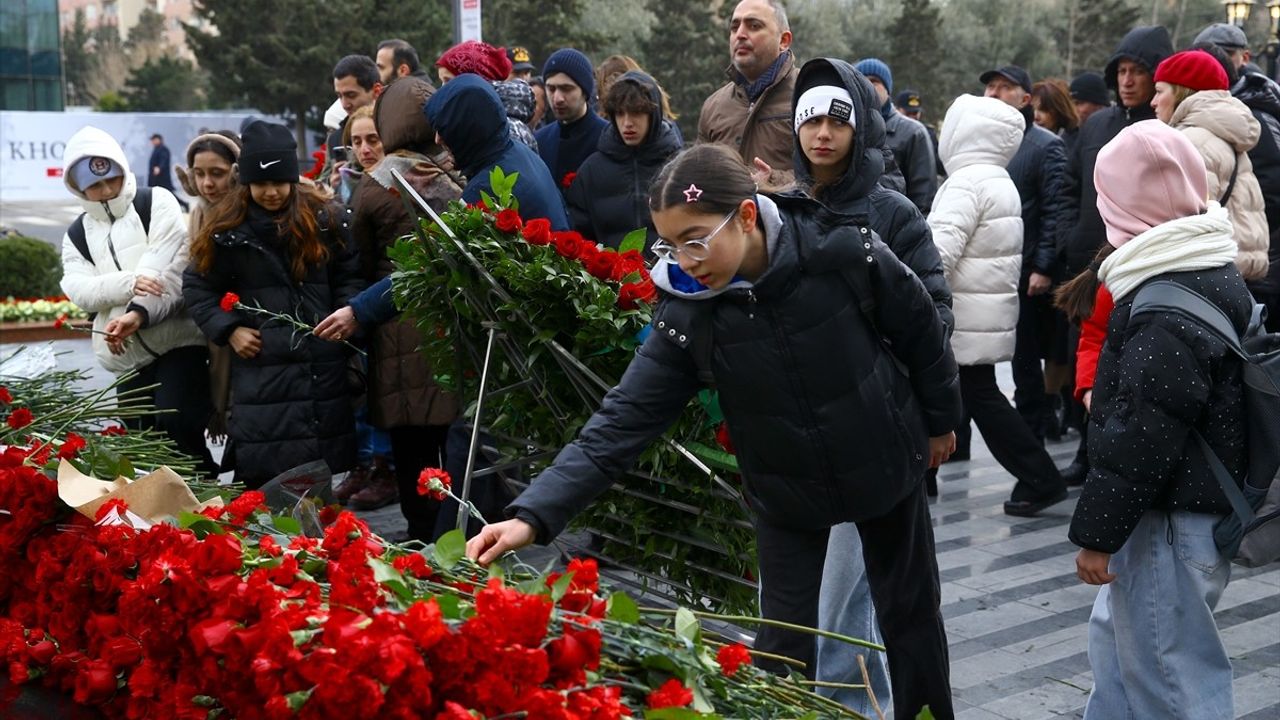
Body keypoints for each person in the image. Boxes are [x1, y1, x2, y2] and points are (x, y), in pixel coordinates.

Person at [466, 142, 963, 720]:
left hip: (882, 453)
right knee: (781, 652)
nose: (686, 259)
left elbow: (922, 327)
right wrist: (532, 514)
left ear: (747, 216)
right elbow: (621, 420)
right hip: (784, 488)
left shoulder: (843, 249)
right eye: (670, 244)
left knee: (911, 623)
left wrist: (939, 420)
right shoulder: (687, 310)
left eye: (696, 238)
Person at [780, 57, 954, 715]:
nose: (821, 133)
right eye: (810, 120)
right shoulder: (784, 211)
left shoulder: (894, 213)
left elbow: (934, 317)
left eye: (835, 119)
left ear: (859, 125)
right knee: (835, 598)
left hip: (881, 433)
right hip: (806, 440)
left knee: (868, 597)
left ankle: (857, 706)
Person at [1068, 119, 1249, 720]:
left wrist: (1097, 535)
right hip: (1176, 512)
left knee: (1169, 677)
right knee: (1122, 651)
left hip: (1169, 519)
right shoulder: (1204, 262)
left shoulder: (1165, 298)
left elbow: (1143, 435)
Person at [319, 77, 464, 538]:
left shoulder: (375, 186)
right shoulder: (452, 174)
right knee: (452, 436)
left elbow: (356, 253)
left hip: (392, 321)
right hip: (447, 322)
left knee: (410, 441)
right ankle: (457, 527)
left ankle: (422, 530)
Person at [183, 120, 363, 488]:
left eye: (279, 182)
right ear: (246, 181)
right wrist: (229, 329)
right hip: (262, 372)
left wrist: (346, 316)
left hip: (320, 367)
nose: (271, 192)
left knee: (318, 480)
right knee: (267, 480)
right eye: (261, 184)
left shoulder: (325, 219)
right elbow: (197, 287)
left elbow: (351, 275)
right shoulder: (227, 229)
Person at [930, 94, 1068, 517]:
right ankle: (927, 478)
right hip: (982, 315)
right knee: (974, 396)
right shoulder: (997, 178)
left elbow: (936, 253)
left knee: (975, 398)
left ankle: (1041, 478)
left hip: (962, 317)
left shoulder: (967, 183)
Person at [59, 126, 217, 477]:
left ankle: (211, 500)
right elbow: (78, 288)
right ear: (79, 188)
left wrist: (134, 307)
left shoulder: (155, 200)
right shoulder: (77, 233)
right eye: (94, 185)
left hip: (177, 342)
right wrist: (129, 283)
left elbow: (163, 265)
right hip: (125, 355)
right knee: (141, 442)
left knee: (177, 423)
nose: (105, 190)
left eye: (110, 179)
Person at [1057, 25, 1172, 486]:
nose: (1127, 80)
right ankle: (1086, 451)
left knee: (1126, 364)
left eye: (1138, 71)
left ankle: (1115, 455)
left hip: (1140, 266)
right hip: (1088, 265)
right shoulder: (1098, 124)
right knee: (1083, 357)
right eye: (1121, 70)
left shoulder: (1165, 128)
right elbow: (1069, 184)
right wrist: (1070, 236)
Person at [982, 65, 1071, 444]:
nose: (995, 93)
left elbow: (1055, 208)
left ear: (1025, 99)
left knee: (1028, 358)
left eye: (1006, 87)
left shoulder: (1045, 144)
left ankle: (1036, 427)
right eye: (991, 87)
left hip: (1029, 269)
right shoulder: (986, 144)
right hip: (994, 268)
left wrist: (1043, 265)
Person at [1151, 50, 1267, 283]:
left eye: (1159, 92)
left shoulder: (1192, 141)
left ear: (1182, 92)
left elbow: (1185, 222)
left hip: (1208, 274)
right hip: (1235, 268)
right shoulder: (1219, 134)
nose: (1153, 102)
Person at [1194, 22, 1280, 332]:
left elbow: (1271, 188)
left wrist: (1256, 248)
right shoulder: (1217, 109)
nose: (1215, 60)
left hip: (1256, 261)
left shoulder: (1255, 111)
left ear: (1244, 57)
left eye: (1225, 54)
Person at [175, 130, 242, 449]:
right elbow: (195, 276)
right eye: (199, 175)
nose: (207, 184)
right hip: (216, 327)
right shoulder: (199, 212)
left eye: (217, 174)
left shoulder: (248, 208)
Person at [565, 71, 682, 251]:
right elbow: (579, 233)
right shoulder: (592, 170)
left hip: (670, 273)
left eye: (636, 112)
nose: (627, 122)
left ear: (653, 114)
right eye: (620, 113)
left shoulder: (678, 166)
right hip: (610, 275)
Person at [698, 0, 798, 188]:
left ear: (783, 41)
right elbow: (698, 174)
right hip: (728, 217)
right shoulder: (713, 105)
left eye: (754, 26)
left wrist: (772, 180)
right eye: (734, 28)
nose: (740, 35)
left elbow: (829, 173)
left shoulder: (807, 95)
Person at [855, 58, 937, 213]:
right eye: (860, 80)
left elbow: (924, 196)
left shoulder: (913, 132)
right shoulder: (844, 129)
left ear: (888, 89)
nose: (867, 85)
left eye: (874, 81)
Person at [535, 48, 610, 187]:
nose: (557, 98)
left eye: (567, 88)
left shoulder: (608, 138)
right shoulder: (539, 141)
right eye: (551, 89)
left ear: (585, 92)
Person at [325, 55, 383, 185]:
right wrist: (331, 183)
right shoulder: (335, 138)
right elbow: (324, 180)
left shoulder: (397, 128)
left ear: (376, 90)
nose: (345, 104)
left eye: (351, 95)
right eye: (340, 96)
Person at [896, 88, 945, 178]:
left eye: (915, 113)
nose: (912, 117)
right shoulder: (888, 132)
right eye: (908, 113)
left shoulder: (928, 134)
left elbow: (939, 166)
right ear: (898, 110)